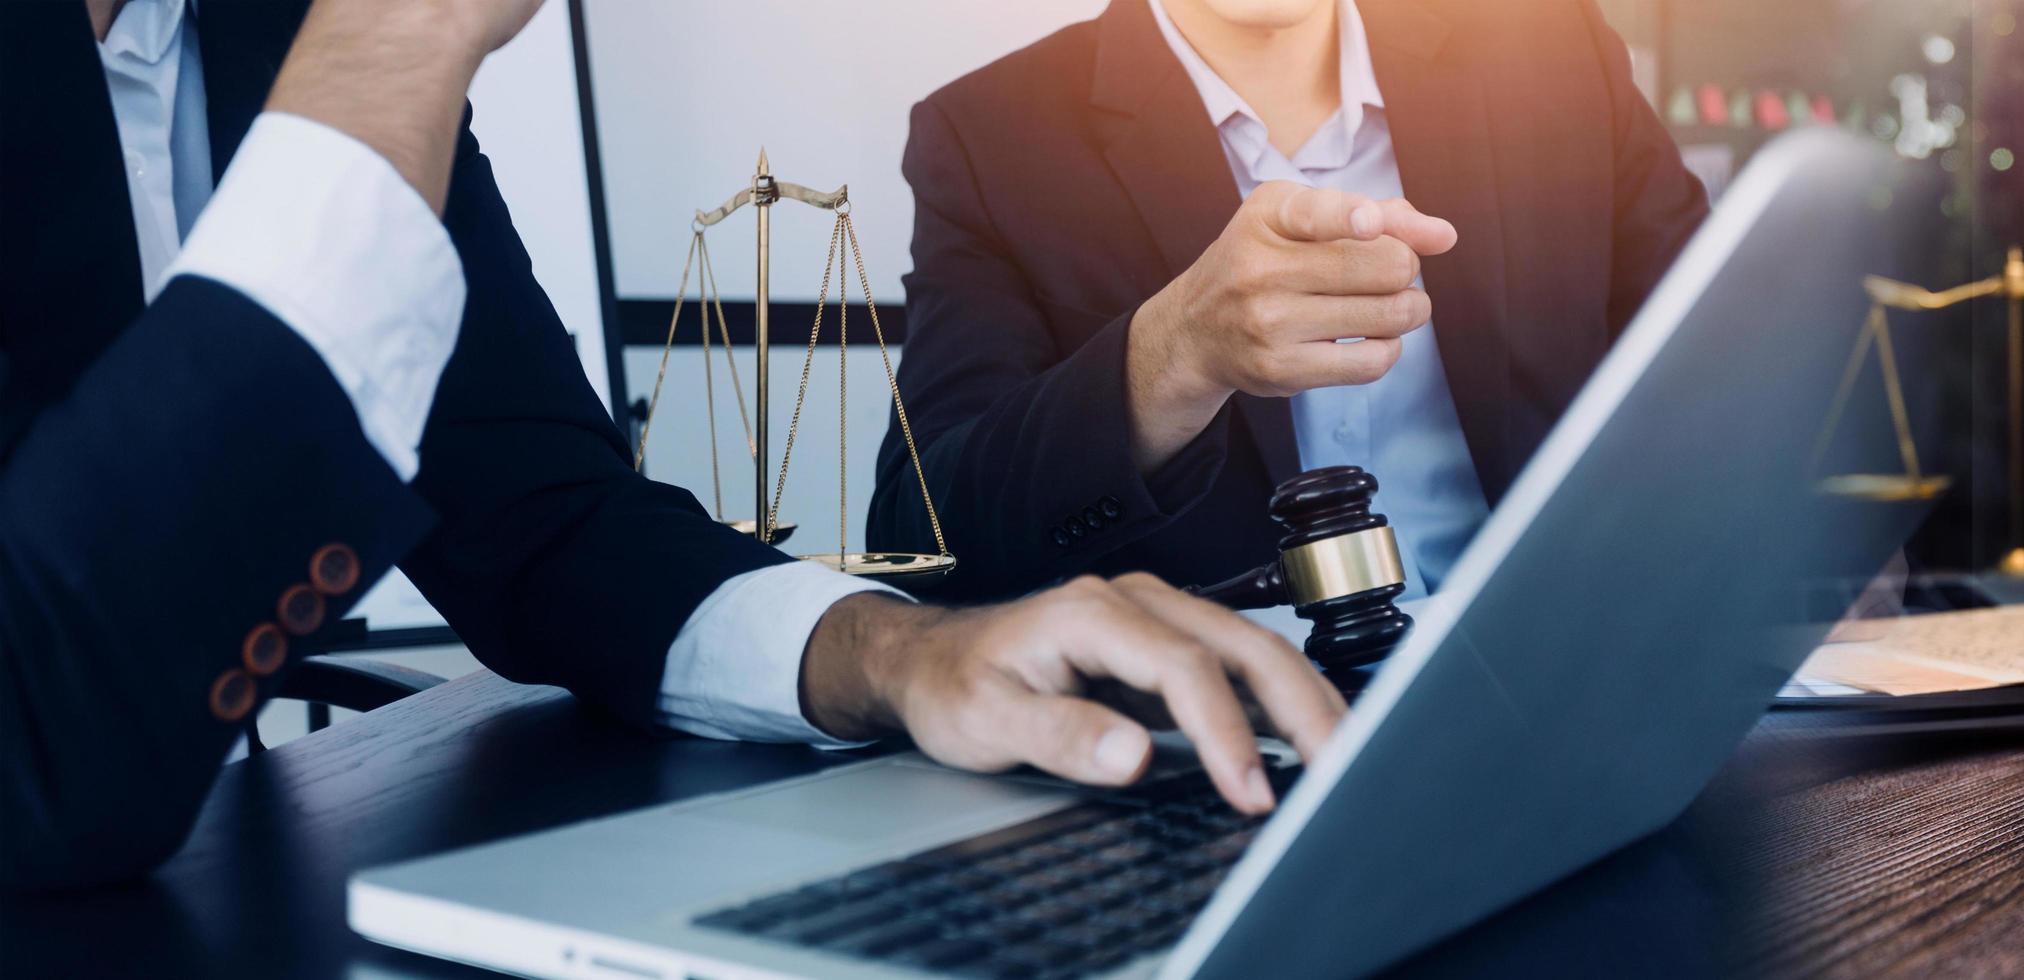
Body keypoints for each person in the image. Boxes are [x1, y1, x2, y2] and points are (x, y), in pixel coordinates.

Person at [1, 0, 1340, 892]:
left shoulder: (269, 30)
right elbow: (39, 753)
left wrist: (891, 655)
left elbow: (541, 516)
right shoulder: (362, 43)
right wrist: (396, 40)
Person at [870, 0, 1710, 602]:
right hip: (1228, 744)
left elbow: (1729, 357)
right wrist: (1172, 357)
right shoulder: (990, 133)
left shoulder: (1551, 45)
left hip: (1570, 668)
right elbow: (922, 538)